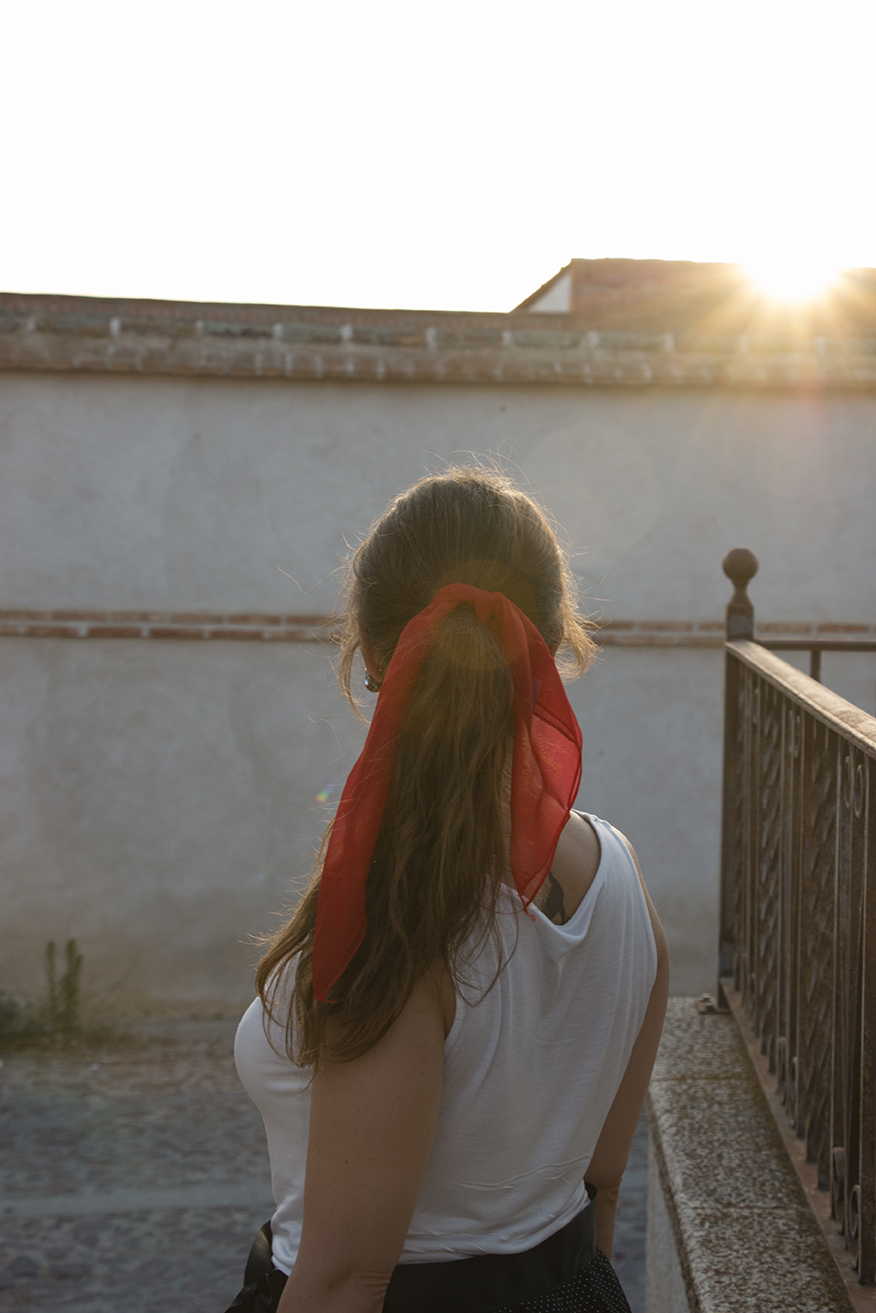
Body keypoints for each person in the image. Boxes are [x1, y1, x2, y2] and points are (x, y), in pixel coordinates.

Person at [228, 466, 669, 1313]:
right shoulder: (624, 877)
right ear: (556, 645)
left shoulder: (398, 918)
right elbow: (600, 1186)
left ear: (373, 659)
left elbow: (344, 1277)